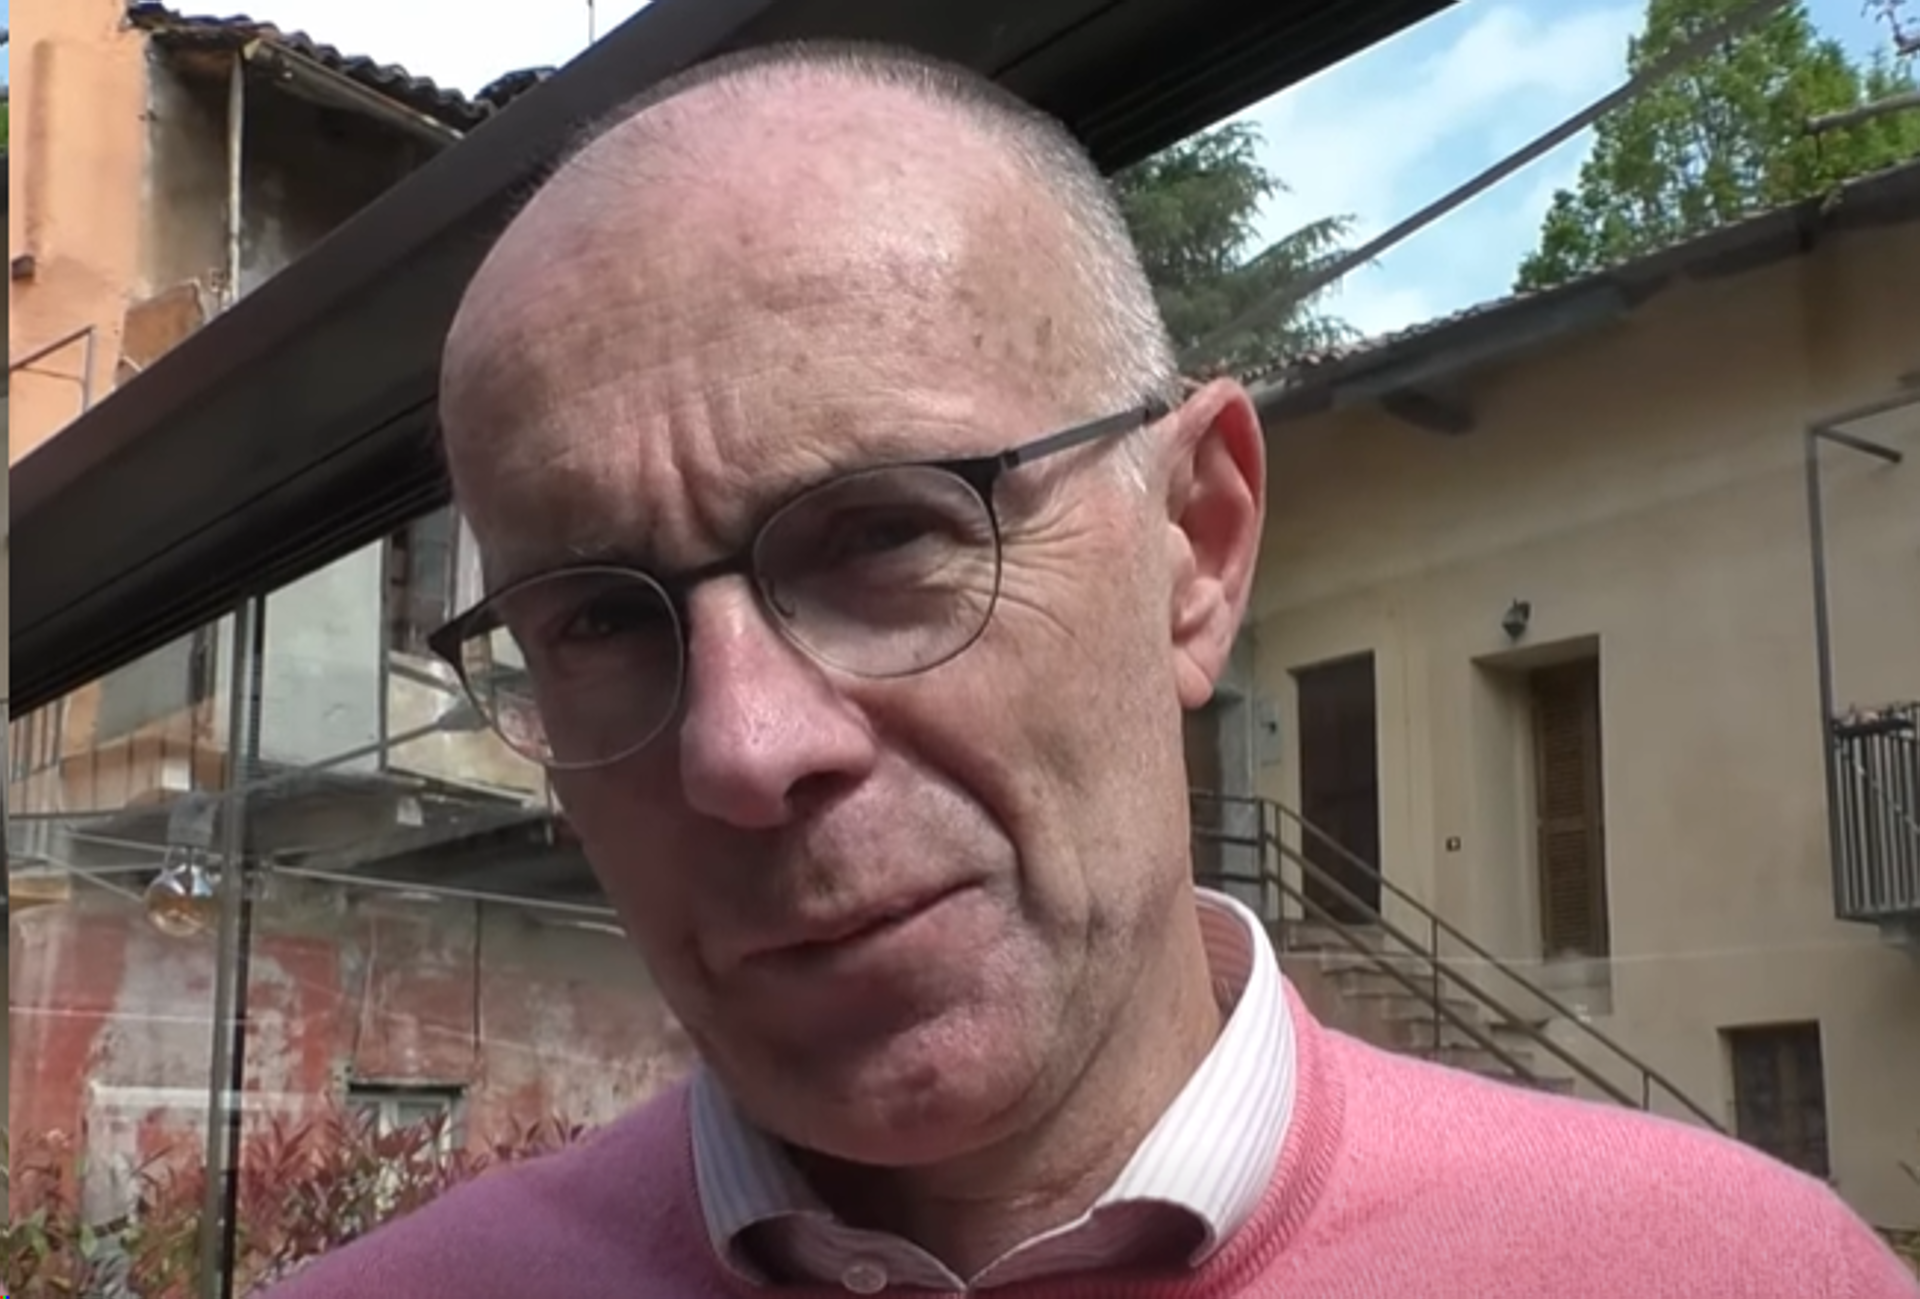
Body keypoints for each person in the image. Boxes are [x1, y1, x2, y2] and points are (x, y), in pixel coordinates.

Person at [267, 41, 1919, 1299]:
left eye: (882, 534)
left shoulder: (1739, 1273)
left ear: (1196, 546)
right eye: (598, 620)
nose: (745, 747)